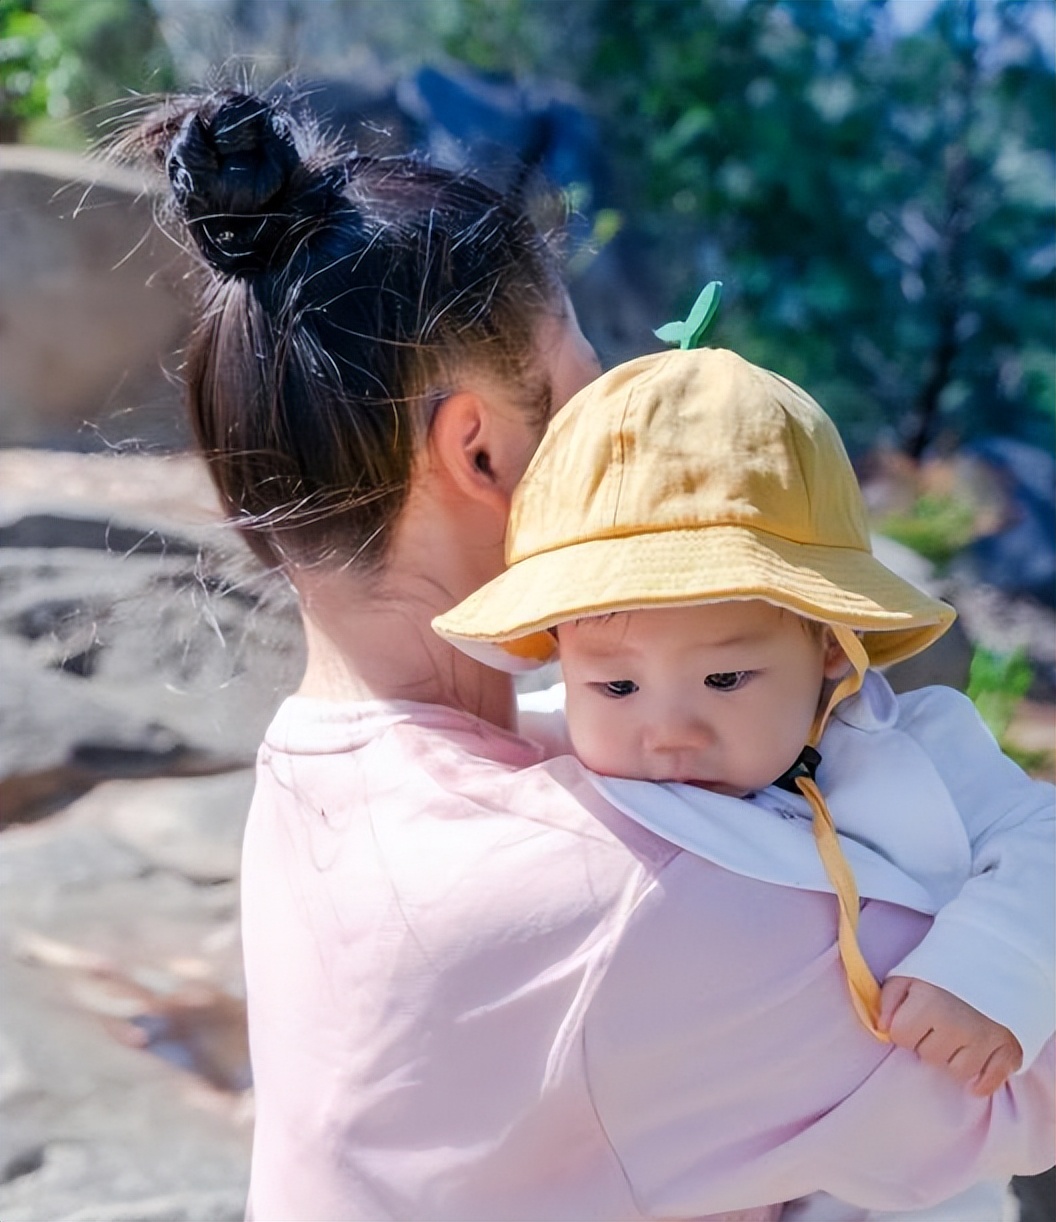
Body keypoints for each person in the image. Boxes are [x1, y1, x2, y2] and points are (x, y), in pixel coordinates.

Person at [127, 89, 1055, 1222]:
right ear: (479, 449)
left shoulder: (311, 770)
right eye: (592, 400)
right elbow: (1014, 1084)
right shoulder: (653, 893)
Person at [434, 345, 1055, 1220]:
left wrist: (994, 965)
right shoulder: (550, 761)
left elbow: (1043, 837)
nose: (669, 729)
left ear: (831, 646)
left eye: (726, 680)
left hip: (910, 1182)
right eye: (614, 686)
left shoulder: (917, 747)